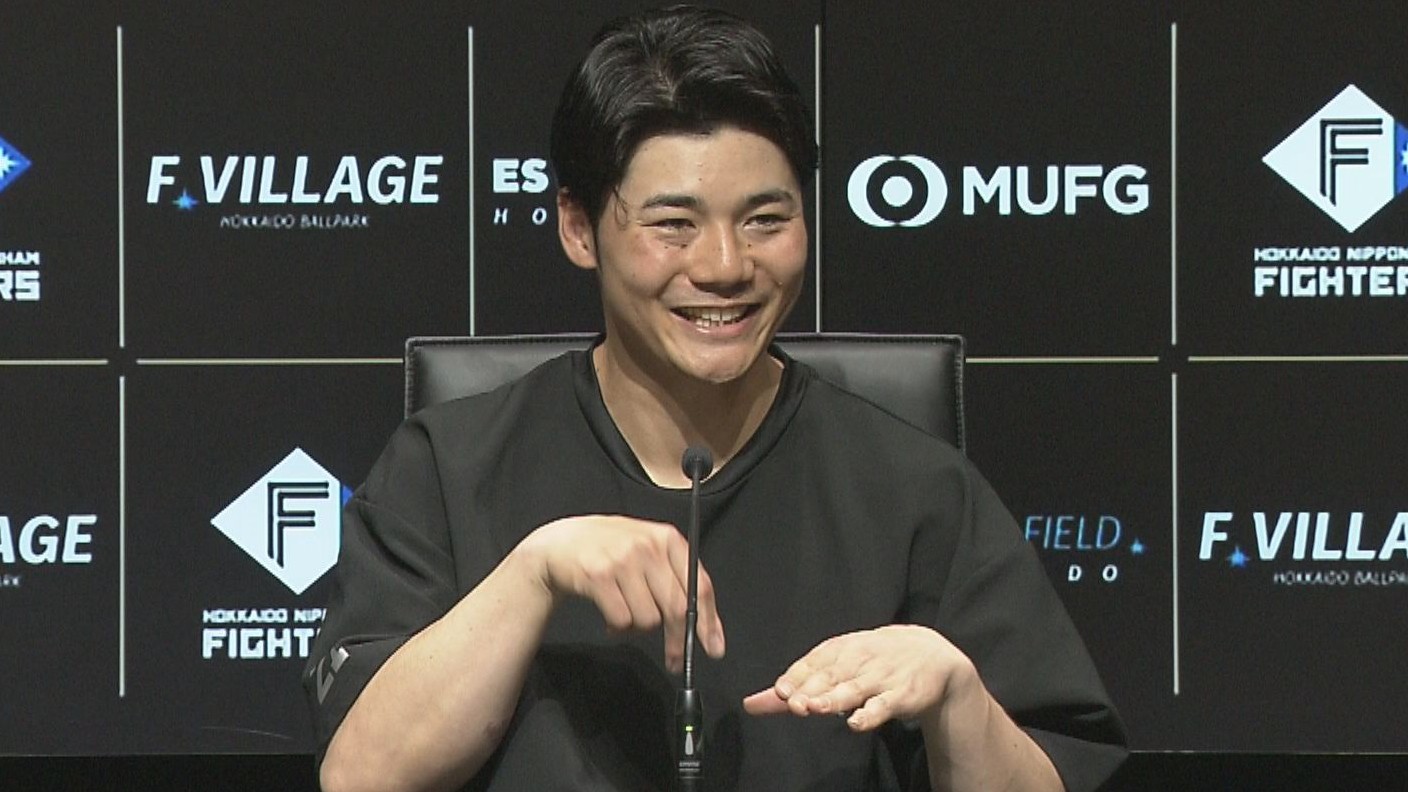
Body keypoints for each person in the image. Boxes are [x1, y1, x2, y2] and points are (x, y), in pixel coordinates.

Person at [303, 6, 1127, 792]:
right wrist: (531, 578)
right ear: (579, 228)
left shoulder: (916, 491)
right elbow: (361, 774)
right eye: (675, 224)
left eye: (765, 219)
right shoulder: (447, 469)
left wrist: (958, 698)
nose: (726, 266)